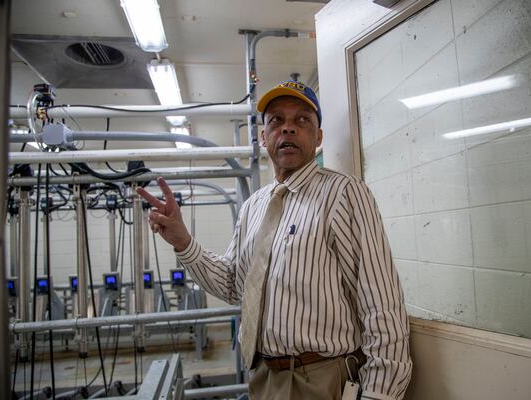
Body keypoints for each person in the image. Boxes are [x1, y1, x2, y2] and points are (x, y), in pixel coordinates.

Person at [137, 81, 412, 399]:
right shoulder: (254, 206)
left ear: (318, 137)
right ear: (264, 136)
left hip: (322, 380)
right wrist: (183, 241)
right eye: (277, 121)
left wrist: (379, 394)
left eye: (302, 121)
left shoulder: (344, 194)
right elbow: (232, 284)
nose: (288, 129)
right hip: (264, 378)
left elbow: (381, 304)